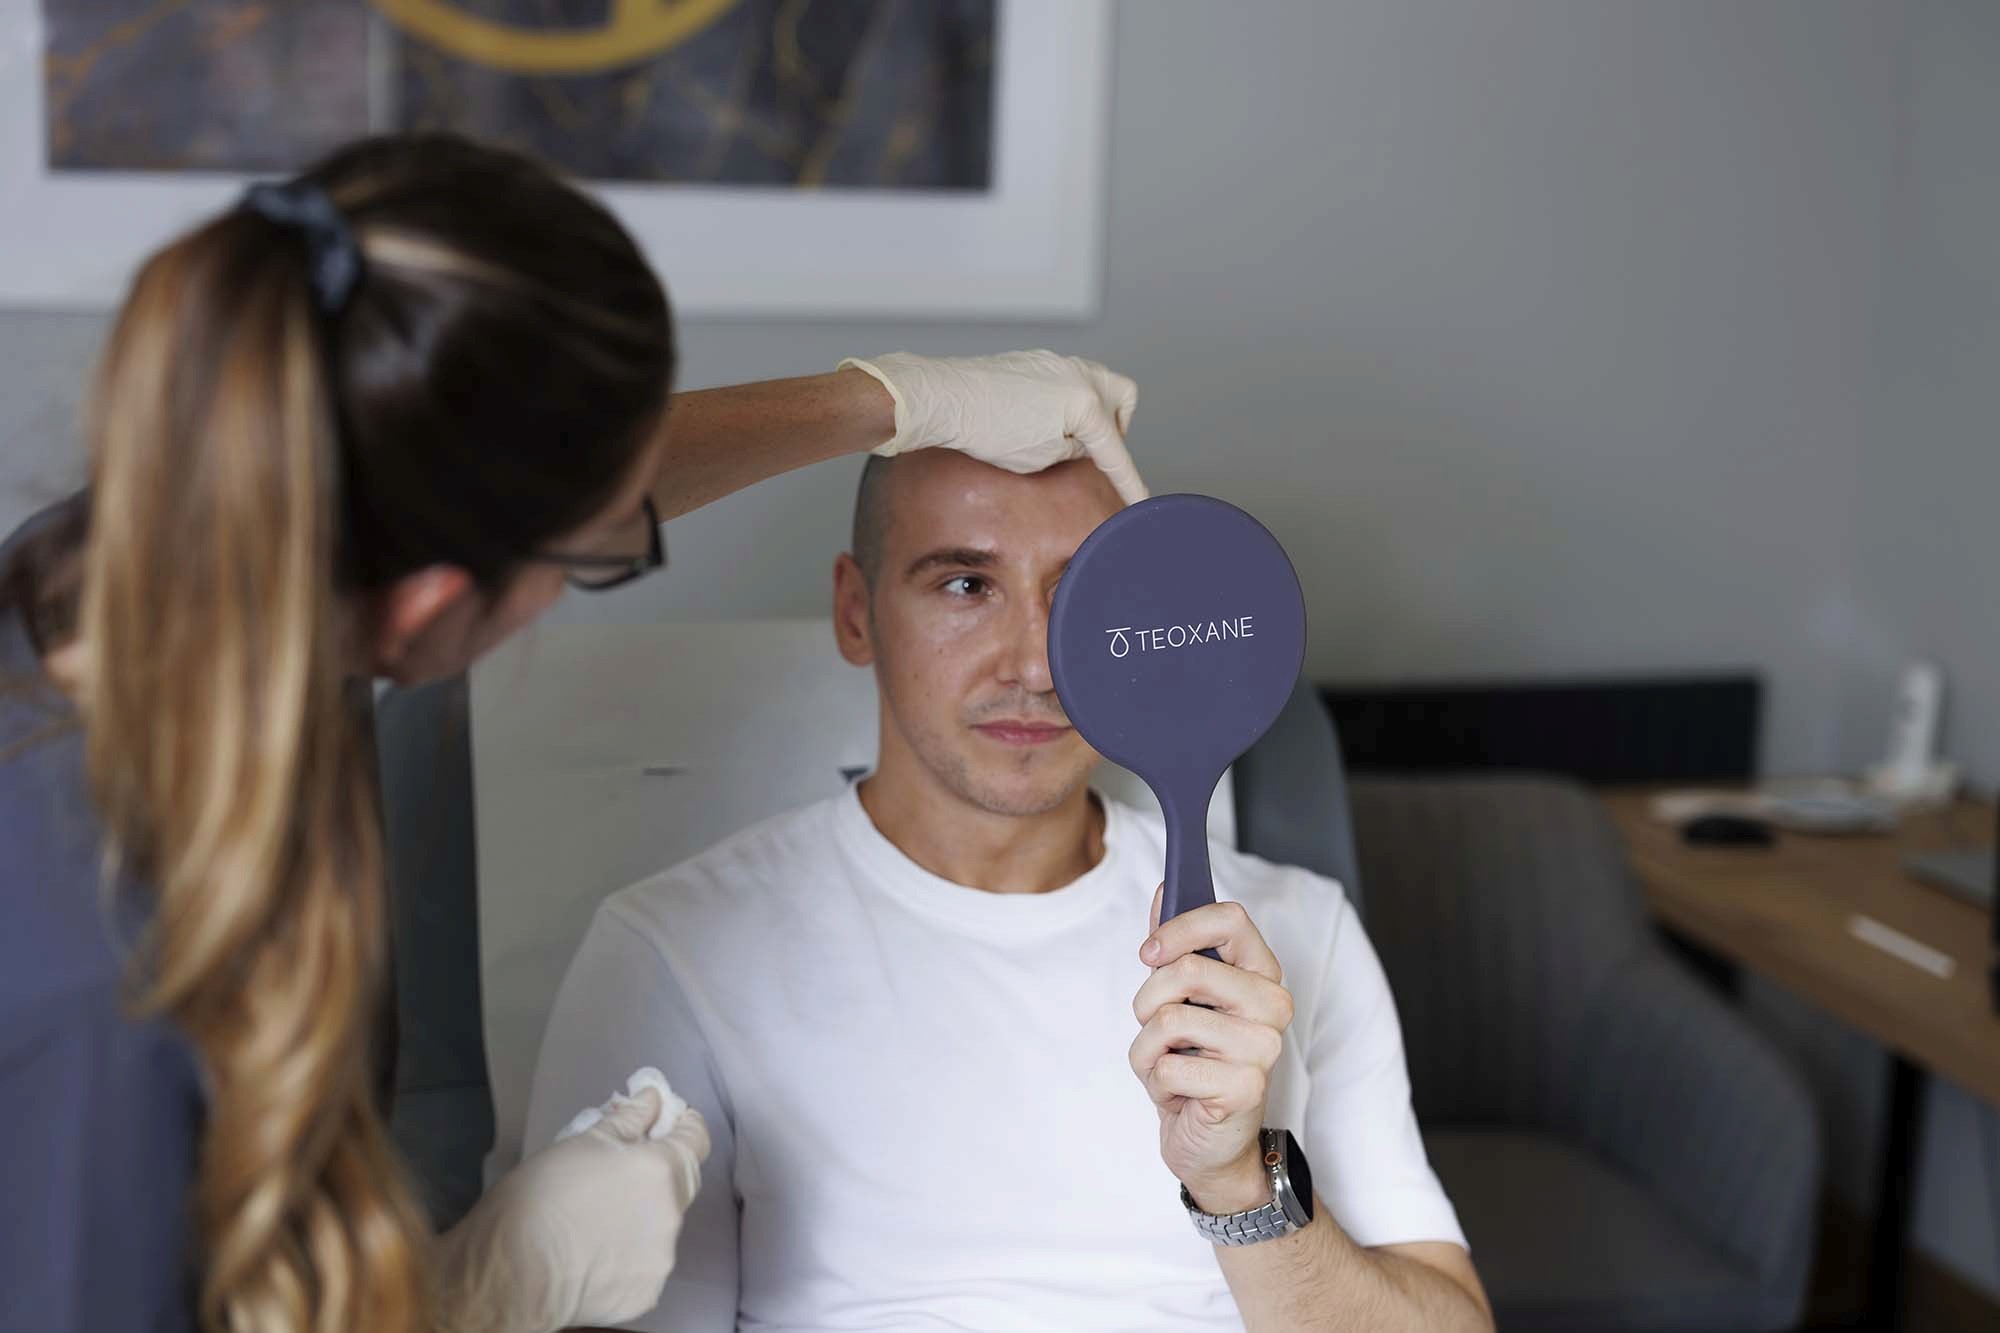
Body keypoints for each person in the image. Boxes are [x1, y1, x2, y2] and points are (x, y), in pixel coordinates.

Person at [0, 131, 1144, 1333]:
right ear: (429, 603)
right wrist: (473, 1297)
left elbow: (522, 475)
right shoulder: (101, 984)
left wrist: (891, 400)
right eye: (595, 560)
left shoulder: (176, 551)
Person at [525, 449, 1495, 1332]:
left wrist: (1241, 1184)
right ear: (856, 611)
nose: (1034, 665)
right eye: (963, 583)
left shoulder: (1294, 929)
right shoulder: (673, 949)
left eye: (1077, 599)